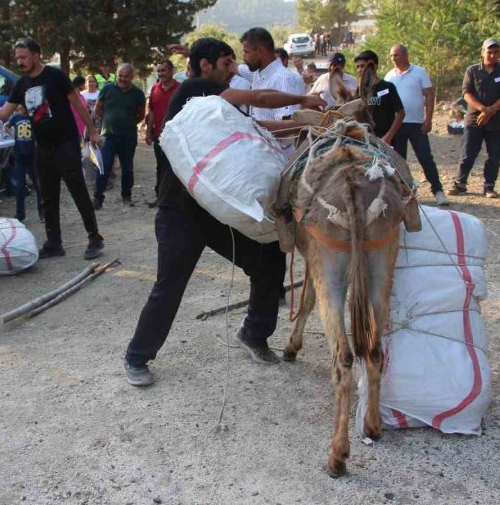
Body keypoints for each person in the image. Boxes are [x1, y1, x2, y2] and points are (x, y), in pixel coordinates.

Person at [123, 37, 326, 387]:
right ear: (206, 65)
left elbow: (258, 129)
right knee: (170, 284)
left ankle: (254, 333)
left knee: (268, 257)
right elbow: (259, 99)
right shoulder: (196, 90)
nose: (235, 70)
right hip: (181, 212)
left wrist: (307, 126)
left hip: (217, 211)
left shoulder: (219, 103)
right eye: (228, 63)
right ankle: (136, 356)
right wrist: (303, 99)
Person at [0, 39, 104, 259]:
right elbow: (3, 114)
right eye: (17, 57)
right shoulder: (21, 84)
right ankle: (54, 243)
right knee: (47, 196)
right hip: (42, 147)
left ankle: (95, 238)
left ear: (36, 56)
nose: (19, 62)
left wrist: (92, 131)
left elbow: (77, 104)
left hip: (66, 143)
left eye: (23, 57)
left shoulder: (55, 76)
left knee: (78, 192)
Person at [449, 39, 500, 198]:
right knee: (468, 152)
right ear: (483, 52)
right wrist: (483, 109)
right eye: (489, 52)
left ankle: (489, 186)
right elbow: (466, 93)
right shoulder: (472, 71)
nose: (492, 55)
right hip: (474, 120)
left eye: (496, 52)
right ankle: (460, 183)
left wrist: (491, 111)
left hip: (497, 121)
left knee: (494, 155)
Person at [385, 44, 449, 206]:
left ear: (406, 55)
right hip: (398, 125)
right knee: (399, 160)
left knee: (425, 157)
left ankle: (438, 191)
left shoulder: (419, 72)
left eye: (397, 55)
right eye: (392, 56)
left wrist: (428, 119)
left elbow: (429, 94)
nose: (394, 58)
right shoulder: (389, 76)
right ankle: (402, 192)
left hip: (416, 124)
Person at [93, 64, 146, 208]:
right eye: (120, 75)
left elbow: (141, 114)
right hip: (109, 136)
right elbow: (98, 107)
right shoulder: (107, 89)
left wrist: (127, 123)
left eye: (126, 76)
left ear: (132, 77)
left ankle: (126, 197)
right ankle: (98, 198)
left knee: (127, 168)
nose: (122, 79)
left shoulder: (138, 93)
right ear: (117, 75)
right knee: (104, 166)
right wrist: (107, 121)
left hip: (128, 137)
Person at [236, 28, 305, 122]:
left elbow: (288, 127)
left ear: (260, 51)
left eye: (246, 52)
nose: (243, 57)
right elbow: (235, 67)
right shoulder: (258, 73)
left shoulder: (282, 79)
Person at [145, 60, 180, 207]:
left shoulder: (180, 89)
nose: (160, 74)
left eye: (163, 70)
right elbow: (151, 111)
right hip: (159, 136)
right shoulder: (154, 89)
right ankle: (160, 196)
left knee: (175, 167)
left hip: (176, 137)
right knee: (160, 166)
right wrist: (148, 132)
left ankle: (176, 198)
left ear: (171, 71)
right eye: (158, 71)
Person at [355, 50, 404, 144]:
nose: (359, 70)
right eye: (357, 67)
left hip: (386, 140)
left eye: (362, 66)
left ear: (373, 66)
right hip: (365, 139)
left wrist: (388, 136)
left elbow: (401, 113)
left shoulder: (387, 87)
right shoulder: (359, 90)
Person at [6, 106, 42, 222]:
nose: (22, 110)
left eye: (24, 108)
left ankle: (42, 212)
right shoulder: (15, 118)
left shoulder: (33, 118)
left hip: (32, 154)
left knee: (38, 184)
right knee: (20, 185)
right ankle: (20, 213)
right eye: (20, 108)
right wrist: (13, 134)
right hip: (19, 153)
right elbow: (6, 126)